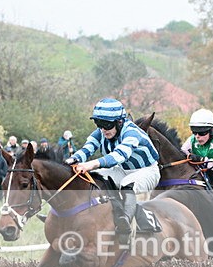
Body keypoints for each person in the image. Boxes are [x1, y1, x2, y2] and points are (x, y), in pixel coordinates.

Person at [66, 97, 160, 242]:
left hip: (147, 171)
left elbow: (120, 155)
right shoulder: (101, 132)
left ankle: (125, 225)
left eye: (107, 125)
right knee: (93, 177)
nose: (103, 129)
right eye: (99, 124)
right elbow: (87, 149)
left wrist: (91, 164)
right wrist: (72, 161)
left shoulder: (132, 132)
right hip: (122, 169)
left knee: (127, 185)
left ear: (120, 122)